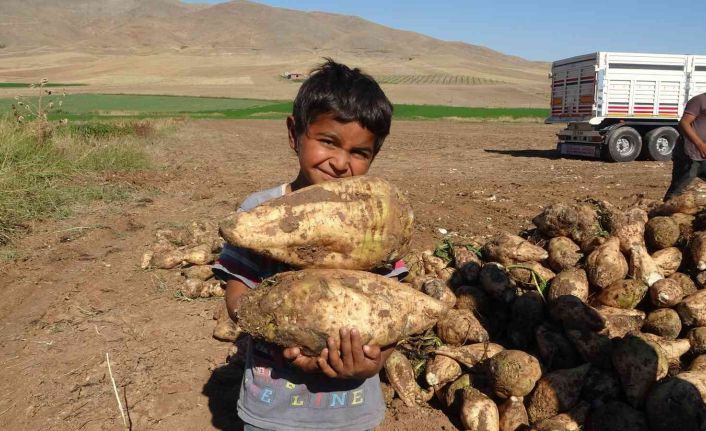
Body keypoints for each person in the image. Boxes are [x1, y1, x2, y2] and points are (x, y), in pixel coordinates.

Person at [212, 59, 407, 431]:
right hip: (272, 412)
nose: (340, 162)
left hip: (351, 409)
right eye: (328, 142)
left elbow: (391, 310)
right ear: (294, 133)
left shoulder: (379, 224)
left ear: (374, 156)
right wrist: (284, 326)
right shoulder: (259, 213)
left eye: (359, 152)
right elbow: (237, 294)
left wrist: (375, 361)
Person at [664, 92, 706, 200]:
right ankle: (663, 213)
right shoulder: (699, 100)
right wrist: (700, 144)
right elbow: (684, 123)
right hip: (690, 153)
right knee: (677, 190)